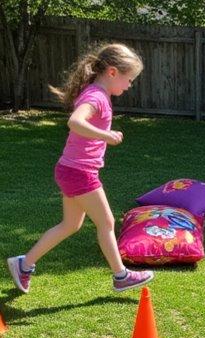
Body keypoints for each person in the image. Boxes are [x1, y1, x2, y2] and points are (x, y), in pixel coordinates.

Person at [7, 43, 153, 295]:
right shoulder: (95, 96)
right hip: (79, 172)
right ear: (112, 72)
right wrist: (105, 135)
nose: (130, 85)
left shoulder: (98, 94)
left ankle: (24, 264)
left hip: (71, 169)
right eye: (129, 79)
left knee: (70, 225)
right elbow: (75, 122)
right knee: (106, 222)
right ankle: (121, 276)